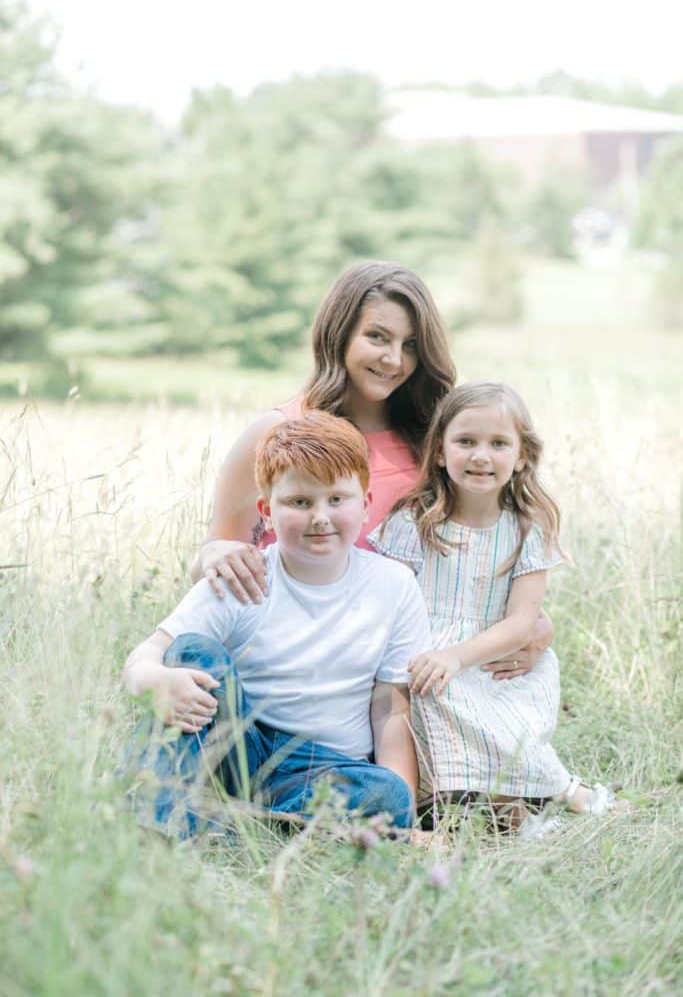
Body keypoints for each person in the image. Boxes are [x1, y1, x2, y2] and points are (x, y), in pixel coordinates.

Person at [192, 260, 550, 680]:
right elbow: (214, 568)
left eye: (412, 345)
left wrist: (537, 630)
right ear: (339, 333)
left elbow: (485, 552)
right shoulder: (277, 434)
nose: (394, 359)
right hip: (291, 659)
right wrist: (213, 554)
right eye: (377, 337)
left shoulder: (434, 442)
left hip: (399, 668)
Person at [122, 412, 432, 838]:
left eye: (337, 499)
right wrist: (152, 678)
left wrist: (406, 818)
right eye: (300, 502)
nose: (320, 517)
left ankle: (227, 818)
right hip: (238, 745)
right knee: (192, 653)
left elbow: (390, 710)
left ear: (366, 501)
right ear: (267, 511)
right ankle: (155, 819)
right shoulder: (244, 576)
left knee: (389, 796)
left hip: (322, 767)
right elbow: (148, 652)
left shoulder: (393, 585)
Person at [368, 382, 615, 829]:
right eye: (466, 442)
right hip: (427, 655)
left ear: (522, 456)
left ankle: (534, 795)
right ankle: (544, 795)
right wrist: (440, 657)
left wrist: (457, 656)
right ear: (440, 451)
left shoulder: (526, 530)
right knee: (436, 694)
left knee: (495, 707)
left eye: (498, 444)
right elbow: (388, 604)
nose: (481, 455)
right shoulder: (413, 523)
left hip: (492, 658)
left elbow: (523, 622)